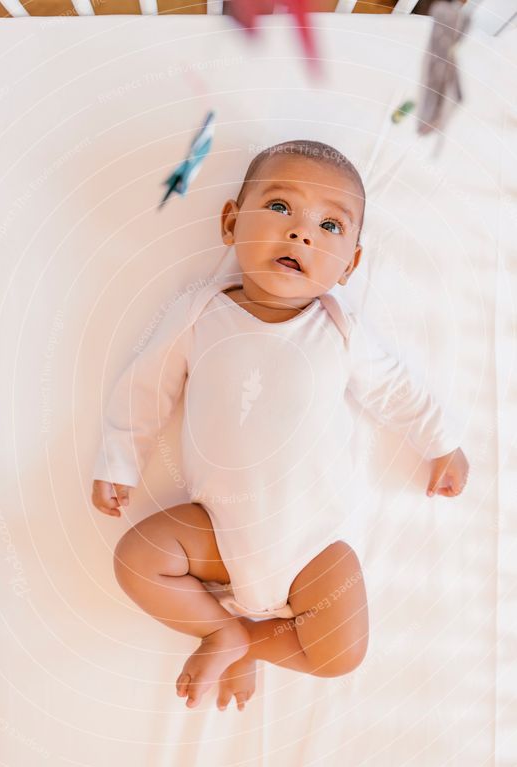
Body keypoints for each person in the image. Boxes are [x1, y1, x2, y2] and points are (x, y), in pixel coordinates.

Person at [92, 140, 469, 712]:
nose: (301, 234)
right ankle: (221, 629)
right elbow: (148, 386)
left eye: (330, 225)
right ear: (229, 222)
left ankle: (248, 644)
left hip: (312, 546)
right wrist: (121, 459)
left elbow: (395, 387)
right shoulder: (199, 313)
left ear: (351, 265)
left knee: (340, 655)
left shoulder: (340, 329)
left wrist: (441, 442)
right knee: (136, 559)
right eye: (278, 208)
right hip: (216, 530)